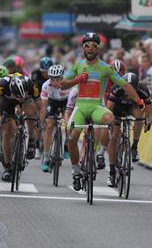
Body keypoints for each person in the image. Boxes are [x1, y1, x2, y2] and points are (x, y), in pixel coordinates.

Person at [60, 32, 145, 191]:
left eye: (94, 46)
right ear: (83, 48)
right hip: (80, 107)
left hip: (97, 107)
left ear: (98, 49)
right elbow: (63, 85)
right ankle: (76, 172)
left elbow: (125, 85)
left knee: (111, 119)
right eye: (87, 46)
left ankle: (105, 150)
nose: (90, 49)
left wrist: (138, 101)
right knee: (71, 137)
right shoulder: (78, 65)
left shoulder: (105, 68)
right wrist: (78, 80)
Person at [106, 73, 152, 186]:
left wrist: (149, 123)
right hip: (116, 108)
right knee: (114, 136)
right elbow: (108, 111)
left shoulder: (143, 90)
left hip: (133, 107)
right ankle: (112, 171)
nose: (128, 91)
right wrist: (111, 124)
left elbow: (150, 113)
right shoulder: (116, 88)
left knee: (139, 116)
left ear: (136, 88)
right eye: (127, 88)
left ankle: (134, 147)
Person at [0, 75, 40, 182]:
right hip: (8, 101)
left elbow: (40, 106)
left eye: (22, 96)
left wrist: (39, 120)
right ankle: (8, 167)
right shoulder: (3, 86)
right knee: (6, 131)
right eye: (18, 97)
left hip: (27, 101)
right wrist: (0, 119)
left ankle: (31, 141)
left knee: (31, 114)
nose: (20, 99)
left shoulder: (32, 86)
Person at [39, 64, 71, 172]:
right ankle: (46, 157)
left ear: (62, 78)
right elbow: (44, 105)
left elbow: (74, 103)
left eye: (58, 79)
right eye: (52, 79)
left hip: (67, 101)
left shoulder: (69, 84)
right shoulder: (45, 86)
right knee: (49, 125)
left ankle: (67, 143)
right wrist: (43, 120)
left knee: (69, 122)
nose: (55, 82)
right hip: (53, 102)